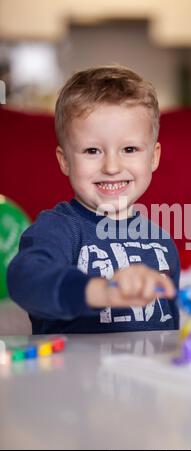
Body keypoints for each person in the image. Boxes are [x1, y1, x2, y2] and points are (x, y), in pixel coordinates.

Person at [7, 65, 180, 334]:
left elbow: (171, 329)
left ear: (153, 157)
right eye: (92, 150)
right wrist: (97, 290)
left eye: (130, 149)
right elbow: (25, 280)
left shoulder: (161, 242)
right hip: (72, 375)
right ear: (64, 161)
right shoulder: (57, 229)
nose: (111, 166)